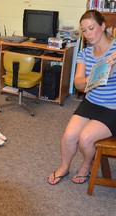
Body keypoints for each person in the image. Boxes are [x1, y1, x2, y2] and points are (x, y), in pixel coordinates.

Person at [47, 10, 116, 185]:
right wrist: (92, 77)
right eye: (84, 30)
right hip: (92, 101)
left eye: (91, 28)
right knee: (69, 135)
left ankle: (86, 165)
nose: (87, 34)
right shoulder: (85, 53)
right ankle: (64, 167)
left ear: (103, 26)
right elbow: (78, 84)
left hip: (112, 107)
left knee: (85, 138)